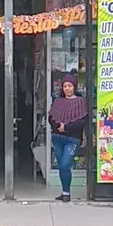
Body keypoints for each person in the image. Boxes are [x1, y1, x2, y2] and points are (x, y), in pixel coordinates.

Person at [48, 73, 88, 202]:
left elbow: (82, 122)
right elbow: (51, 117)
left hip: (73, 139)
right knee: (61, 165)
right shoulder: (58, 101)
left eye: (69, 86)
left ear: (74, 87)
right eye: (65, 86)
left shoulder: (80, 102)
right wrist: (57, 126)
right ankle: (65, 192)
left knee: (65, 165)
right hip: (57, 137)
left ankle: (66, 192)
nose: (67, 88)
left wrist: (66, 127)